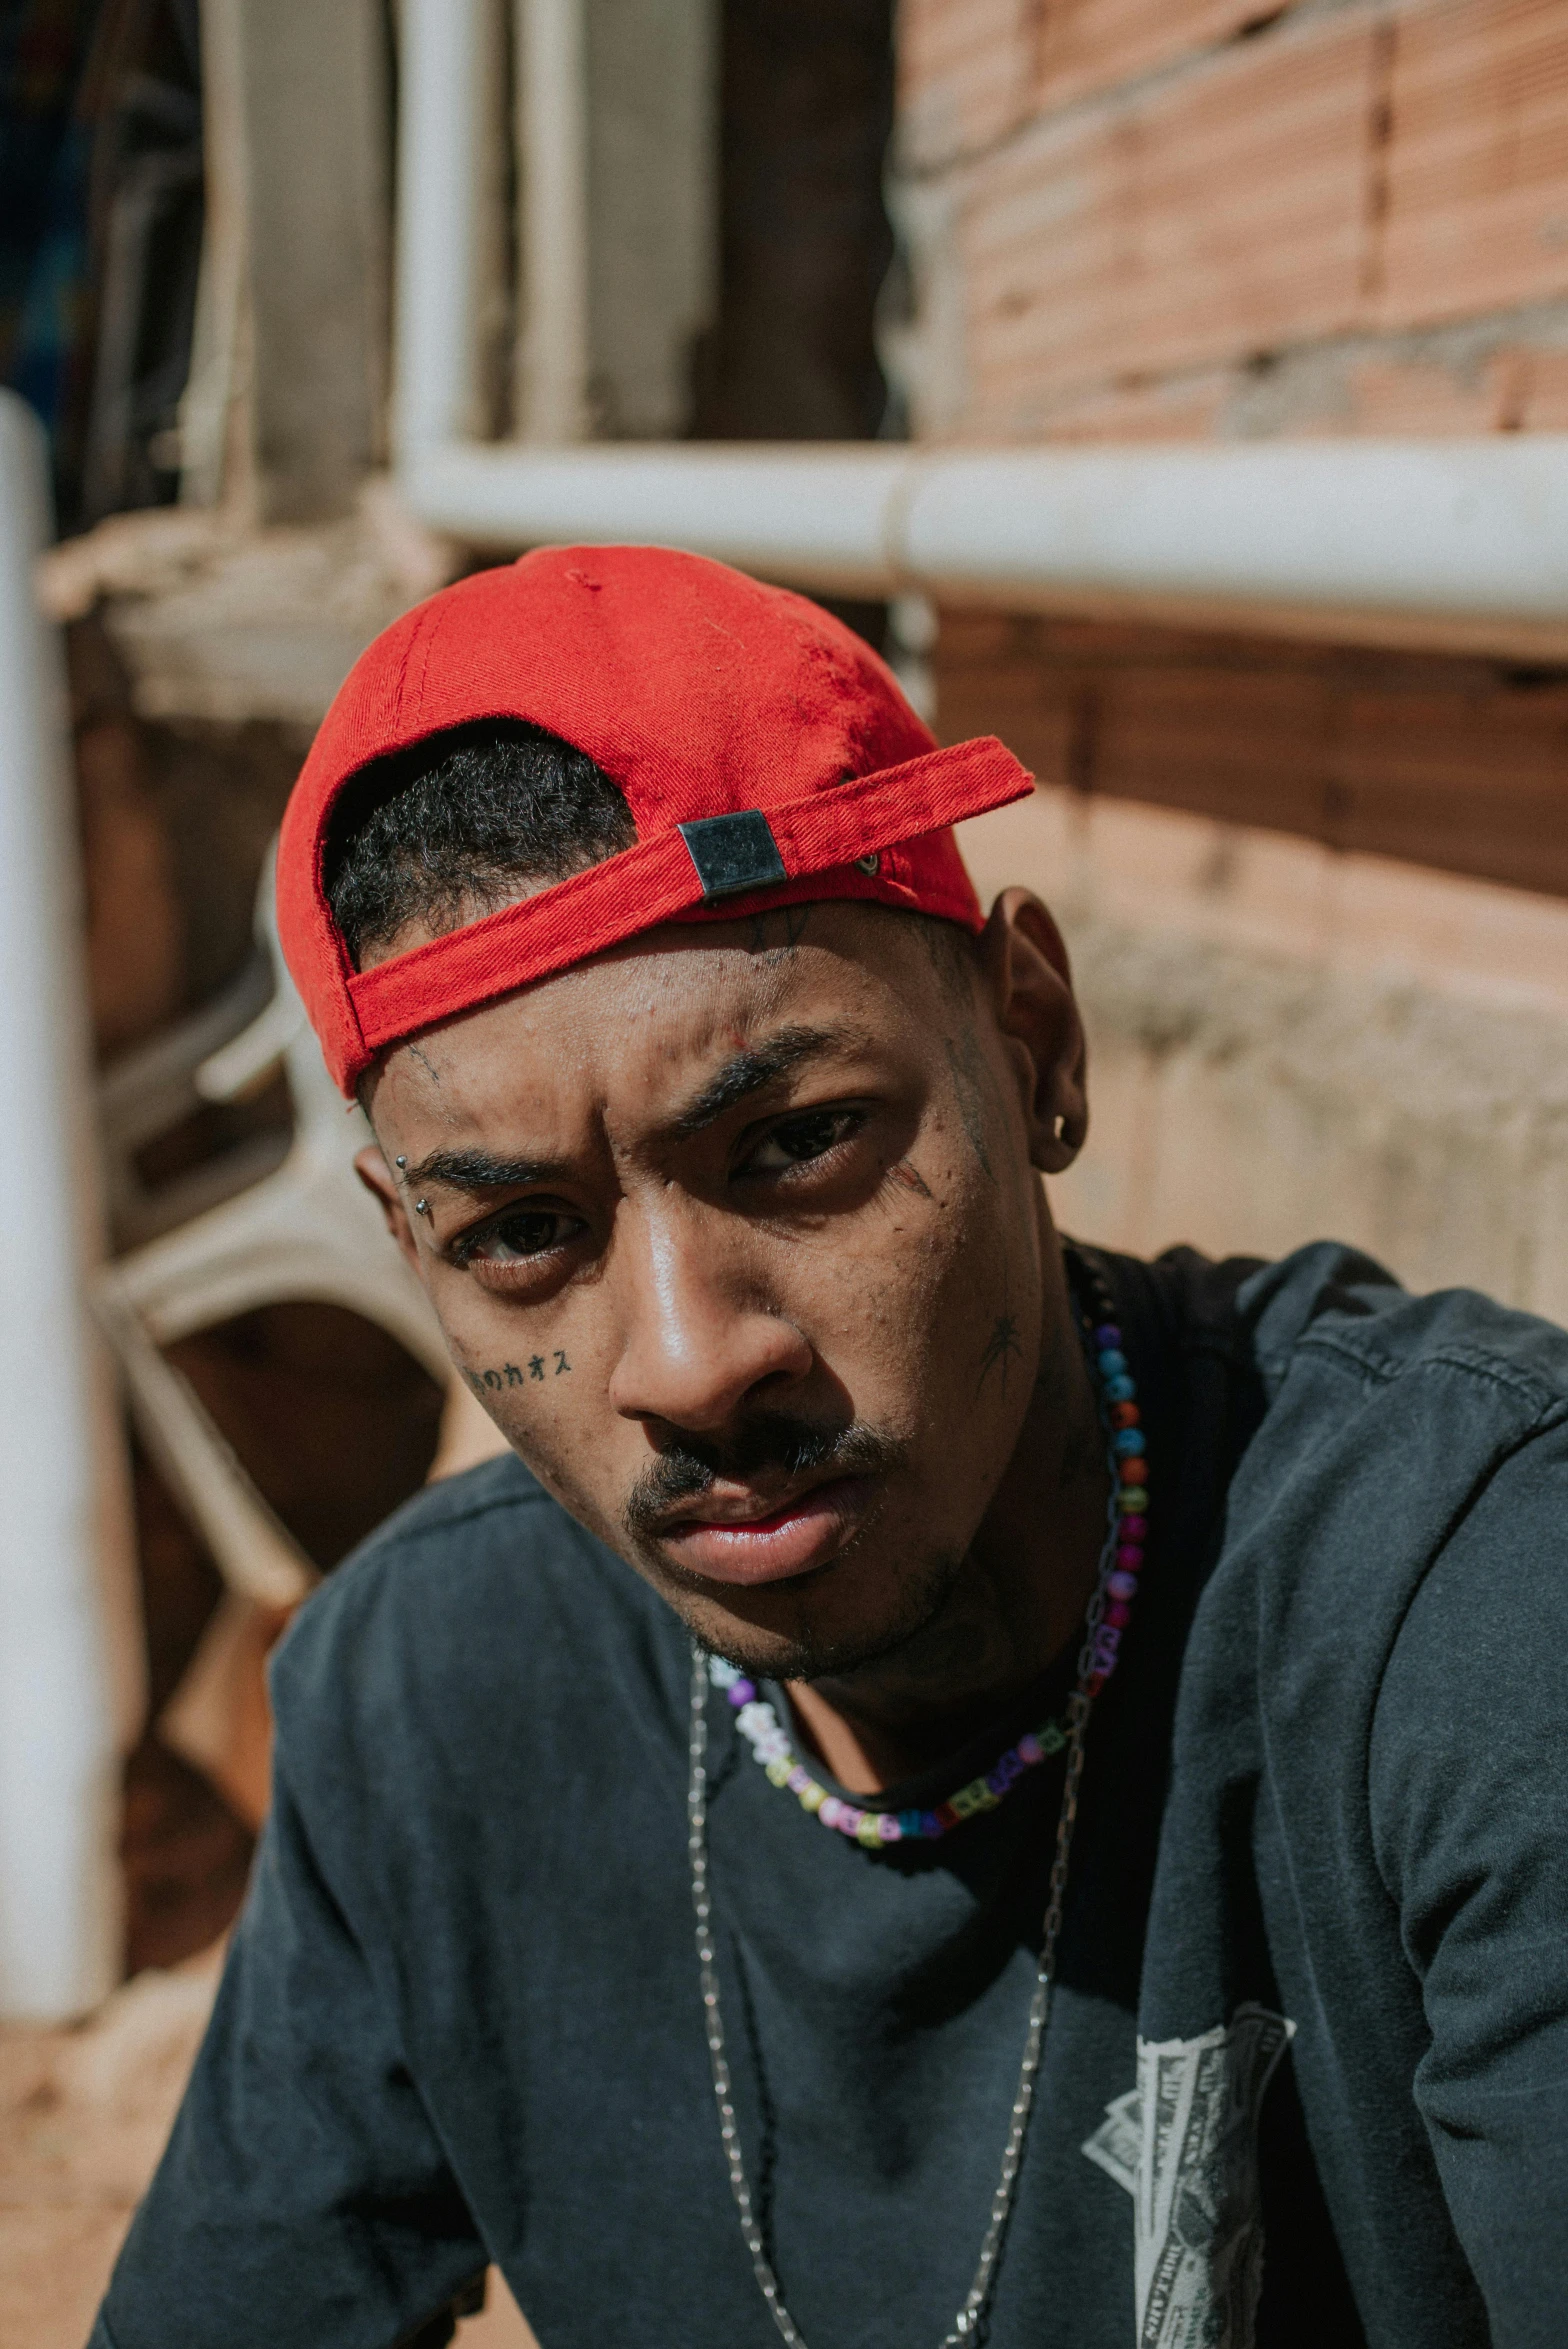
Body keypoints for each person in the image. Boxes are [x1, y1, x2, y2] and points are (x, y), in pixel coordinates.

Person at [92, 547, 1568, 2349]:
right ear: (418, 1263)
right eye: (521, 1235)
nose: (695, 1362)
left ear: (1031, 1043)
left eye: (798, 1145)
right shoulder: (431, 1701)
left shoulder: (1472, 1607)